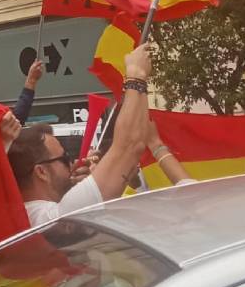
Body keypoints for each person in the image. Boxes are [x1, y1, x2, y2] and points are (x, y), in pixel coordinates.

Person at [8, 44, 153, 227]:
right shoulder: (51, 220)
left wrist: (79, 186)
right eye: (64, 158)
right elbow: (131, 146)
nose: (72, 163)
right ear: (41, 172)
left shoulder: (23, 216)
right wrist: (136, 75)